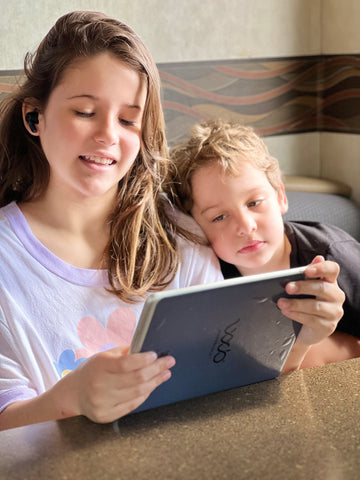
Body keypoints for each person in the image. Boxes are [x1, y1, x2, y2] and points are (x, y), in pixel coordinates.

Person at [0, 11, 224, 431]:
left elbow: (223, 383)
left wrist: (298, 341)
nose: (108, 135)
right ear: (35, 117)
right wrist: (69, 400)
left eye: (127, 120)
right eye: (85, 111)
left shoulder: (182, 240)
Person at [169, 119, 360, 371]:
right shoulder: (208, 279)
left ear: (280, 197)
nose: (245, 226)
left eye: (254, 202)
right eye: (219, 216)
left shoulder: (332, 252)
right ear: (196, 228)